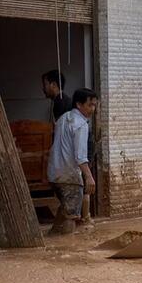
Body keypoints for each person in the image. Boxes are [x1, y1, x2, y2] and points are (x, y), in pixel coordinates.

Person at [47, 88, 97, 234]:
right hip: (69, 176)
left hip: (53, 174)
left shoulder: (63, 118)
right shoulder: (81, 124)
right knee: (72, 216)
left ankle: (53, 235)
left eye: (94, 105)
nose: (93, 109)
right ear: (79, 105)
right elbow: (80, 156)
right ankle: (68, 247)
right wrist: (89, 177)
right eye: (90, 105)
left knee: (65, 208)